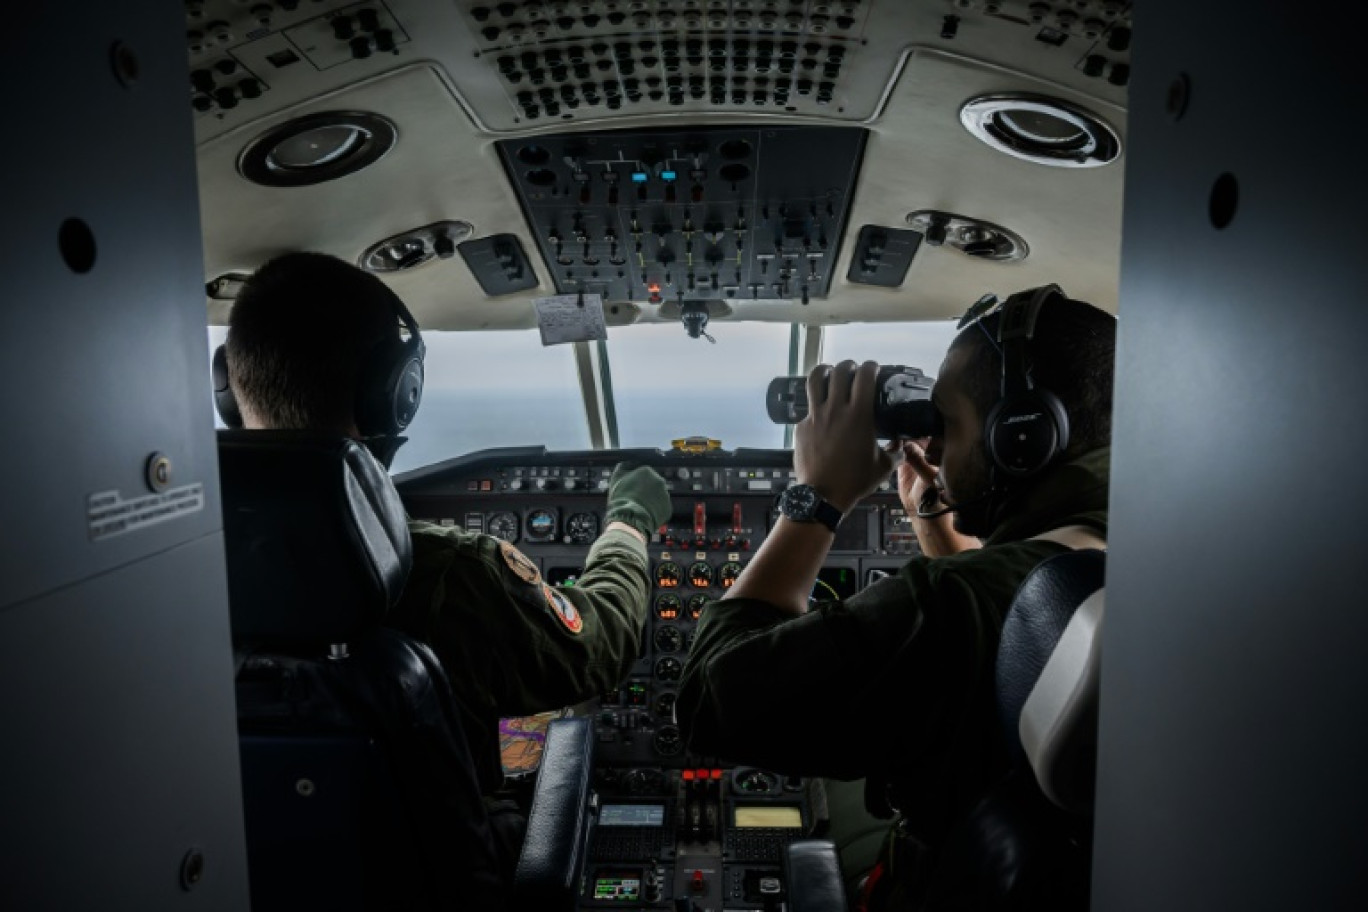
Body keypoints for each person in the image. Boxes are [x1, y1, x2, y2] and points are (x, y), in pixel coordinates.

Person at [222, 251, 670, 874]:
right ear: (394, 394)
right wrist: (627, 524)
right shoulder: (446, 571)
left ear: (228, 387)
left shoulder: (165, 576)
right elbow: (599, 646)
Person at [676, 285, 1114, 909]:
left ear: (1023, 438)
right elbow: (1001, 633)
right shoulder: (1158, 560)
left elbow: (711, 702)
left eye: (947, 424)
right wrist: (937, 518)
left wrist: (817, 495)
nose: (931, 448)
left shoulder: (948, 603)